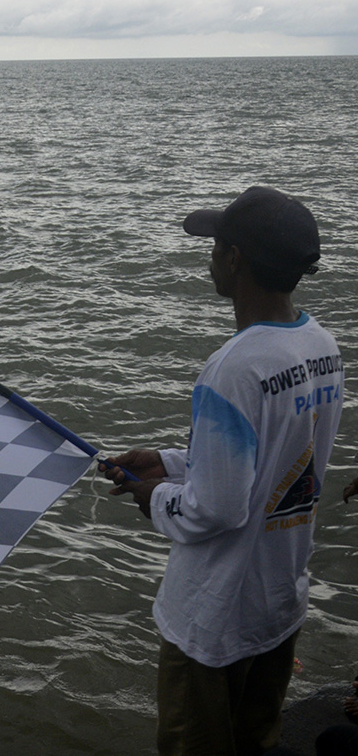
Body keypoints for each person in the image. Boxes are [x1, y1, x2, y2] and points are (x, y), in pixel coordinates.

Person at [100, 186, 344, 756]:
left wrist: (152, 495)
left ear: (235, 259)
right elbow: (277, 461)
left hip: (213, 621)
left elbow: (216, 507)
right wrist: (169, 461)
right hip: (279, 602)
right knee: (256, 740)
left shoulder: (232, 369)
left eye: (215, 246)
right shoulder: (321, 346)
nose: (208, 256)